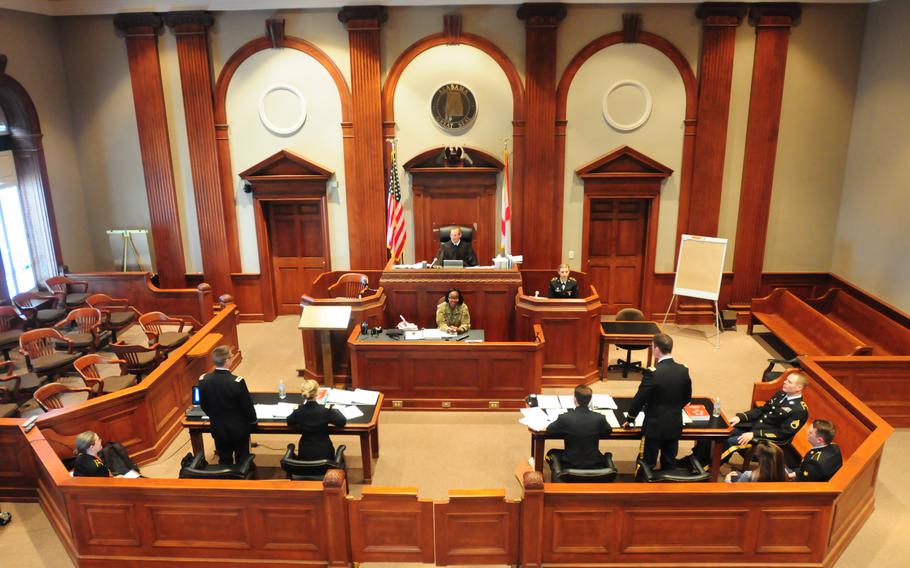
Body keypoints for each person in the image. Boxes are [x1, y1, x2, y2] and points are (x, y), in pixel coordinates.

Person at [695, 371, 810, 466]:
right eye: (786, 380)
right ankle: (696, 458)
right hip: (753, 427)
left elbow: (783, 433)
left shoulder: (799, 410)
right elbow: (762, 410)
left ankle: (709, 468)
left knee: (730, 442)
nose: (784, 382)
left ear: (798, 388)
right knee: (719, 430)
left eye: (789, 382)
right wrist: (741, 418)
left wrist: (755, 434)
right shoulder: (781, 394)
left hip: (764, 438)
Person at [623, 333, 692, 471]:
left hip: (654, 427)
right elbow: (687, 398)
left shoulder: (652, 373)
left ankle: (644, 489)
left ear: (657, 349)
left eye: (653, 347)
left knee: (646, 464)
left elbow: (640, 398)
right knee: (669, 462)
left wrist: (630, 419)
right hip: (674, 425)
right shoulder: (683, 370)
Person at [198, 345, 257, 465]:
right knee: (243, 460)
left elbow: (204, 405)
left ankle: (226, 480)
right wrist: (253, 422)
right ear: (227, 361)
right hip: (238, 429)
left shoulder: (204, 380)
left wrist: (215, 416)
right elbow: (247, 407)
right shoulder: (237, 382)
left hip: (218, 428)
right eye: (231, 356)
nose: (232, 358)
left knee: (224, 460)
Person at [545, 384, 612, 469]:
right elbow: (608, 431)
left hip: (569, 463)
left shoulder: (565, 418)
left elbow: (549, 430)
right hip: (594, 463)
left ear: (575, 399)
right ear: (590, 400)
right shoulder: (599, 418)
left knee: (551, 453)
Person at [286, 379, 347, 460]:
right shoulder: (325, 410)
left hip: (305, 455)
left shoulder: (298, 410)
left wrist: (296, 411)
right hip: (325, 455)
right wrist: (334, 410)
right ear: (317, 393)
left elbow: (289, 422)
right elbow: (342, 422)